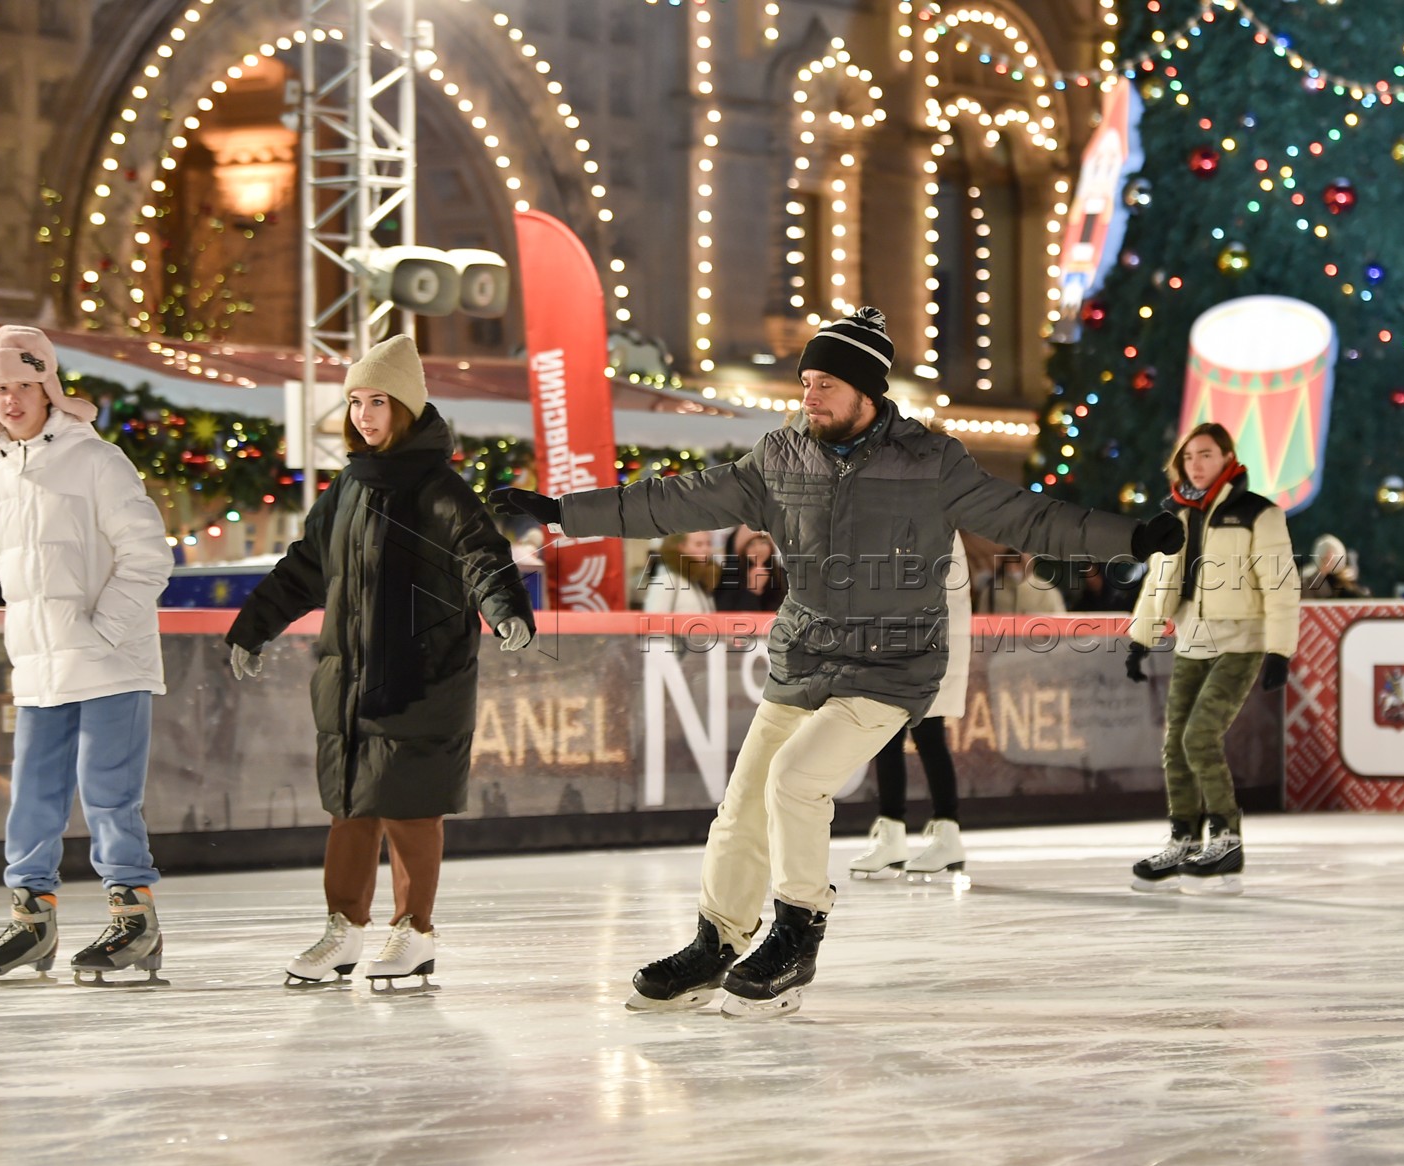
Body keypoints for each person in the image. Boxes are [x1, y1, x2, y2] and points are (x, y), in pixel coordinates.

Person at [492, 306, 1182, 1017]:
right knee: (739, 809)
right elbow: (677, 500)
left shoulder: (930, 463)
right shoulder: (780, 456)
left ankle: (797, 933)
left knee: (795, 779)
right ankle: (717, 939)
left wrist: (1131, 538)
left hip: (891, 665)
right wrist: (564, 512)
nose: (808, 395)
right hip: (804, 656)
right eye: (805, 382)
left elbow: (1029, 517)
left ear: (866, 390)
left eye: (824, 383)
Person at [226, 335, 535, 990]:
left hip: (421, 678)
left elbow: (482, 555)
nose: (365, 415)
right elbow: (304, 570)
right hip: (350, 684)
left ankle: (414, 930)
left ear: (408, 407)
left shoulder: (441, 489)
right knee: (350, 809)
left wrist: (504, 609)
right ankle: (345, 929)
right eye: (356, 402)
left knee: (408, 808)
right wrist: (251, 628)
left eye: (379, 402)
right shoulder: (347, 489)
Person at [0, 326, 174, 985]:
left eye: (21, 385)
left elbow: (147, 557)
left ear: (47, 388)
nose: (11, 400)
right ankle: (31, 922)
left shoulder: (98, 462)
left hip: (109, 663)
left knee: (108, 795)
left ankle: (133, 919)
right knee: (34, 799)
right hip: (41, 671)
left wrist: (102, 632)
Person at [1123, 421, 1300, 897]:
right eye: (1188, 457)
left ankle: (1226, 836)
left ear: (1226, 457)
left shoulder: (1257, 514)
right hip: (1191, 641)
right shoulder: (1173, 516)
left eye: (1205, 455)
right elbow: (1157, 580)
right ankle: (1184, 837)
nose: (1195, 465)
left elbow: (1281, 586)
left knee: (1199, 736)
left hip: (1241, 642)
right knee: (1174, 744)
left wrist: (1280, 650)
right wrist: (1141, 639)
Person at [850, 531, 971, 881]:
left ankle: (947, 831)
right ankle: (893, 831)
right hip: (894, 639)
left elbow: (943, 586)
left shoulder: (936, 515)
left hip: (926, 642)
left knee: (929, 734)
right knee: (886, 736)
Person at [643, 529, 720, 614]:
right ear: (681, 547)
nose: (706, 550)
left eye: (709, 544)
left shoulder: (699, 581)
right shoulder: (667, 581)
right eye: (699, 544)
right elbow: (653, 620)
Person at [714, 527, 787, 613]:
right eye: (751, 544)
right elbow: (727, 614)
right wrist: (753, 590)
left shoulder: (782, 575)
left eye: (763, 543)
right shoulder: (730, 578)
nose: (758, 549)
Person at [1301, 533, 1370, 598]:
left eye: (1332, 557)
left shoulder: (1338, 580)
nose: (1329, 560)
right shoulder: (1308, 579)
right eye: (1327, 558)